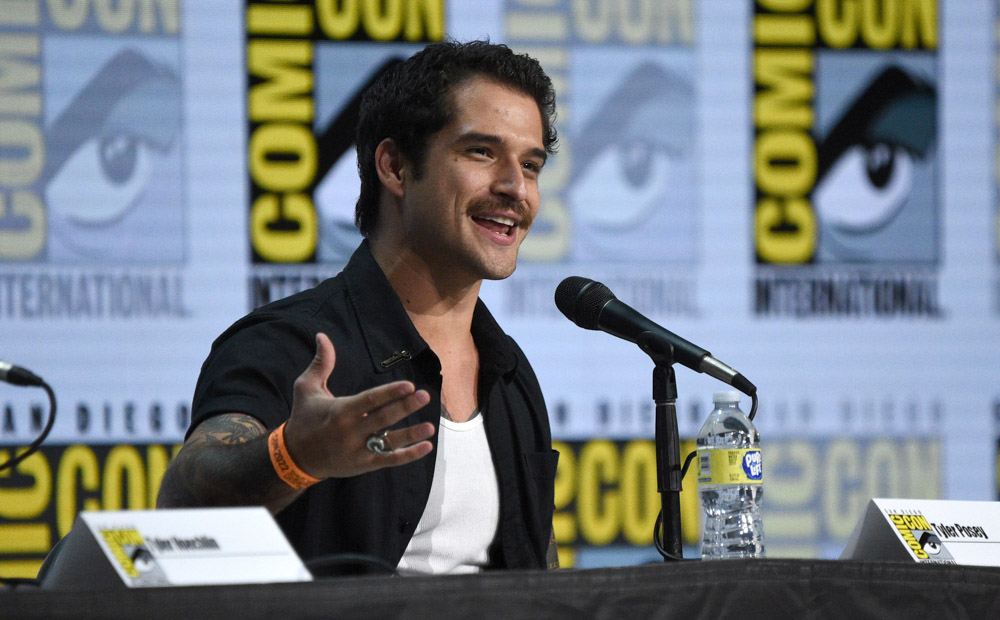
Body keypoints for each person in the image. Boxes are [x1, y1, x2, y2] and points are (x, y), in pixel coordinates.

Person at [157, 40, 560, 575]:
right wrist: (292, 456)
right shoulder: (290, 346)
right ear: (395, 167)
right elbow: (182, 508)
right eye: (481, 152)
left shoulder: (511, 374)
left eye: (530, 164)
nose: (516, 188)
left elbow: (539, 570)